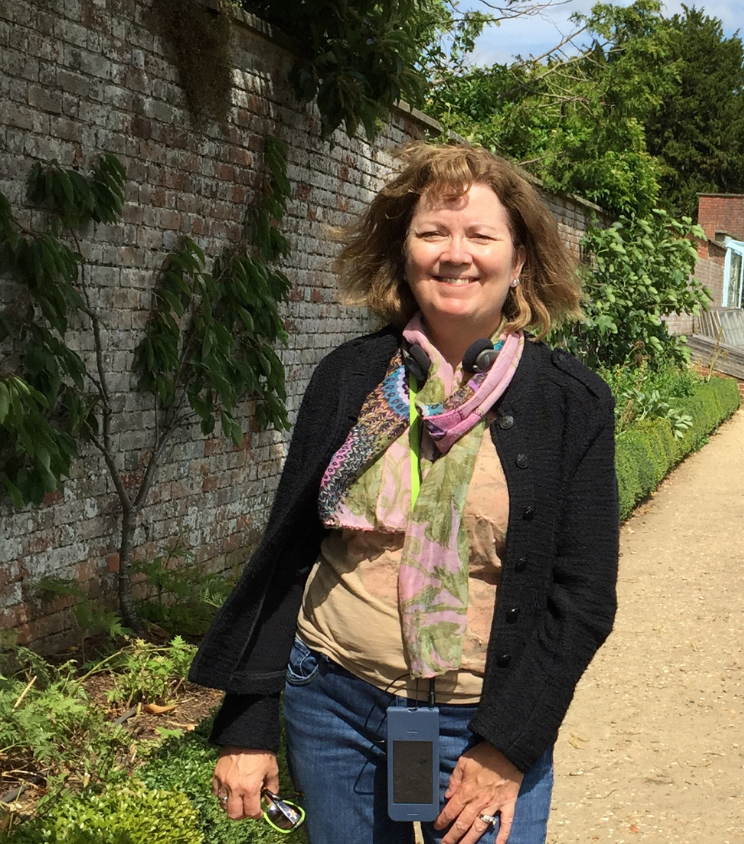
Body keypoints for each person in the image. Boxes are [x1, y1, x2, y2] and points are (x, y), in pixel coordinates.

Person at [188, 142, 620, 844]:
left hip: (479, 724)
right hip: (333, 700)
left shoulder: (570, 403)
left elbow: (584, 597)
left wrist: (507, 745)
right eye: (432, 233)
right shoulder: (350, 377)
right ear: (403, 253)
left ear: (521, 263)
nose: (455, 254)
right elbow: (287, 550)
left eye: (481, 235)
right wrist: (247, 721)